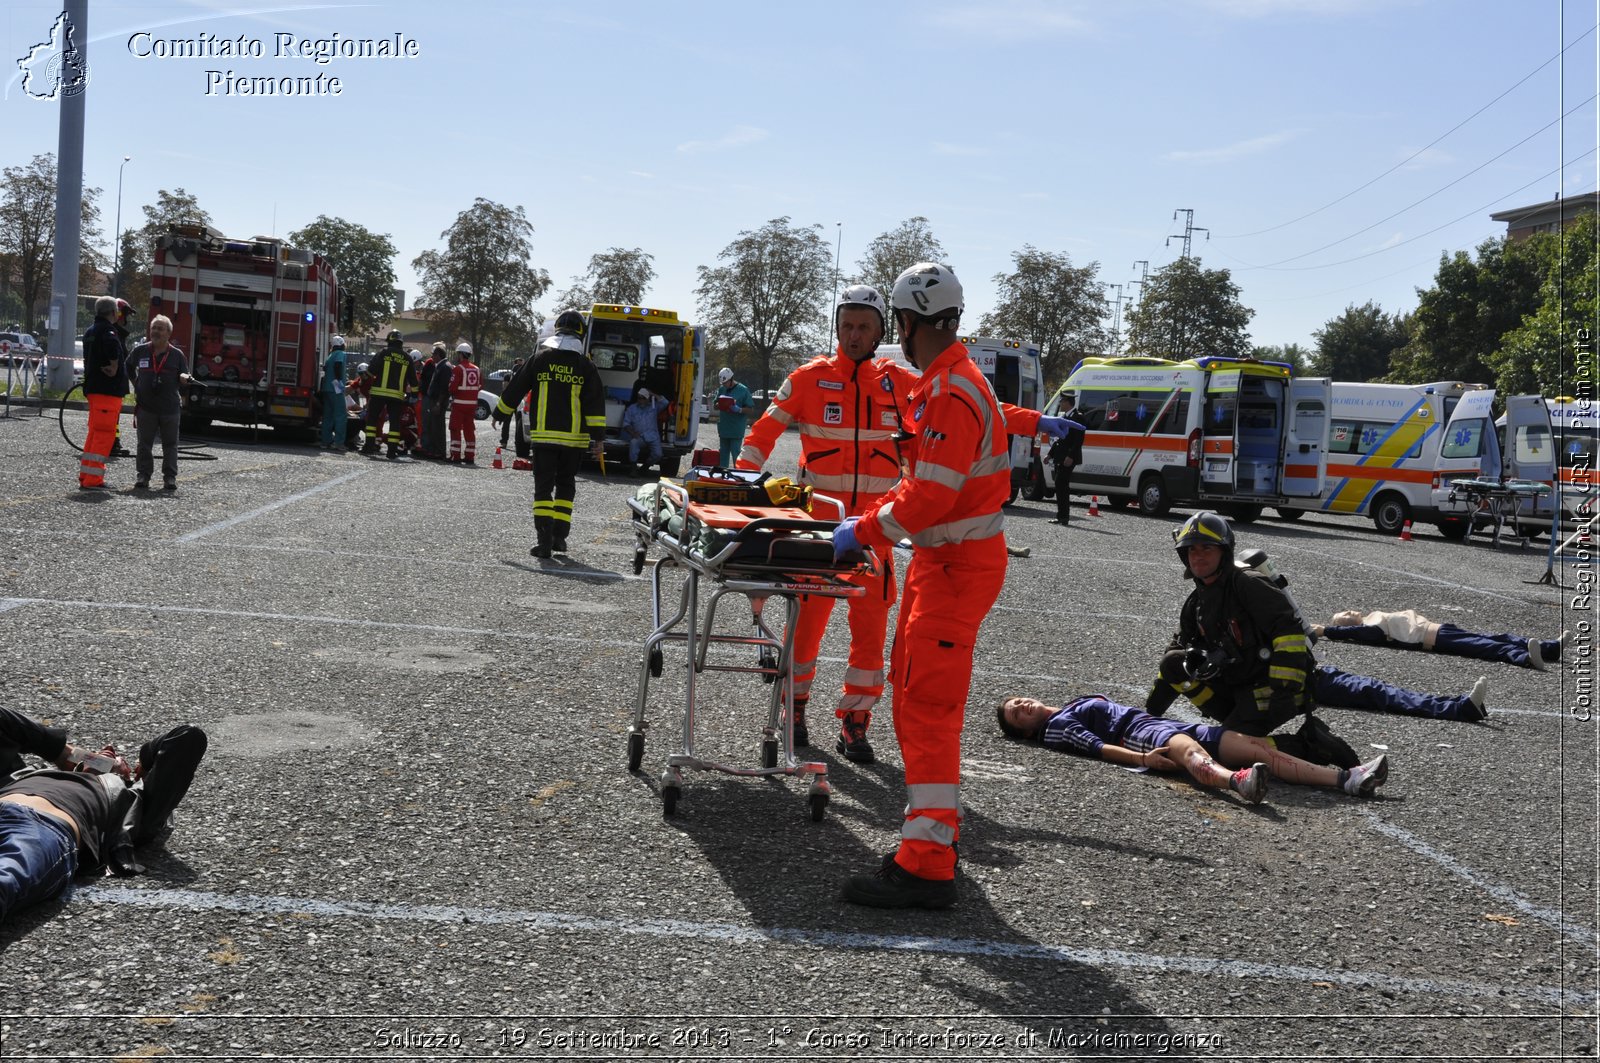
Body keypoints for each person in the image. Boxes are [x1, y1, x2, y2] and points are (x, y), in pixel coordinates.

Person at [830, 262, 1009, 909]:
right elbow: (930, 483)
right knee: (915, 702)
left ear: (909, 322)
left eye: (898, 324)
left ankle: (927, 863)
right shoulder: (948, 382)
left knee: (928, 711)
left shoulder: (951, 391)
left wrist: (864, 529)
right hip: (945, 565)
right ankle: (930, 843)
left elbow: (930, 494)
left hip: (955, 567)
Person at [1149, 513, 1489, 743]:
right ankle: (1238, 724)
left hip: (1289, 687)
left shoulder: (1247, 584)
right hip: (1242, 692)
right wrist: (1145, 716)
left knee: (1377, 694)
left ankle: (1460, 707)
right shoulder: (1197, 603)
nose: (1197, 556)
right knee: (1175, 663)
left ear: (1224, 551)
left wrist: (1282, 692)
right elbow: (1174, 660)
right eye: (1191, 550)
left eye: (1206, 548)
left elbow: (1290, 633)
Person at [0, 707, 207, 923]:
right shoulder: (23, 774)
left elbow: (188, 737)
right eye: (100, 752)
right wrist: (63, 753)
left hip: (44, 829)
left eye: (115, 756)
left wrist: (145, 766)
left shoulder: (134, 803)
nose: (108, 749)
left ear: (130, 774)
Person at [997, 695, 1391, 802]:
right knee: (1191, 755)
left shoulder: (1064, 709)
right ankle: (1238, 783)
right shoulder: (1057, 727)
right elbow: (1097, 748)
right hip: (1140, 734)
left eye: (1018, 701)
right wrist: (1142, 760)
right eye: (1016, 715)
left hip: (1164, 724)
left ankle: (1346, 779)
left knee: (1253, 745)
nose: (1022, 707)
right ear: (1026, 733)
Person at [492, 321, 605, 558]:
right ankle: (559, 539)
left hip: (545, 438)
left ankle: (543, 542)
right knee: (566, 486)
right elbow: (594, 403)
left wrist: (500, 413)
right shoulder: (585, 365)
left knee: (543, 489)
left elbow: (517, 386)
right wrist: (598, 440)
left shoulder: (540, 359)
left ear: (557, 332)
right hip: (574, 441)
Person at [1314, 609, 1571, 671]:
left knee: (1492, 637)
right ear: (1347, 624)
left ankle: (1549, 648)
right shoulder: (1367, 630)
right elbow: (1345, 633)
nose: (1349, 612)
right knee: (1486, 646)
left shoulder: (1372, 618)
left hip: (1438, 629)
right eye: (1345, 616)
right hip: (1433, 638)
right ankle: (1526, 658)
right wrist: (1323, 630)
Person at [125, 314, 191, 493]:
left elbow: (185, 377)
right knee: (144, 444)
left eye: (160, 329)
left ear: (168, 333)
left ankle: (169, 477)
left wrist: (184, 379)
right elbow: (128, 366)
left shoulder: (177, 355)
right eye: (154, 328)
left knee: (170, 445)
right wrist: (135, 382)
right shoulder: (140, 351)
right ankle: (143, 475)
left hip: (169, 409)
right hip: (146, 407)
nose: (155, 331)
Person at [78, 296, 129, 490]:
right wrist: (115, 365)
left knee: (94, 433)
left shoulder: (90, 331)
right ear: (113, 312)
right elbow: (111, 348)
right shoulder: (108, 330)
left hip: (94, 388)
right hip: (107, 391)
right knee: (104, 435)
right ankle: (93, 479)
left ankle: (86, 475)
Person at [362, 331, 415, 459]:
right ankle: (392, 451)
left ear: (390, 340)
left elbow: (371, 371)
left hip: (378, 393)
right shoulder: (407, 358)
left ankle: (369, 446)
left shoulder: (383, 353)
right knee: (394, 423)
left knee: (372, 419)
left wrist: (363, 379)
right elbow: (413, 380)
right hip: (396, 396)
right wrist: (414, 395)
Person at [1047, 393, 1085, 525]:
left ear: (1068, 402)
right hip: (1060, 456)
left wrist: (1070, 456)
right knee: (1059, 485)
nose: (1060, 403)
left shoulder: (1078, 417)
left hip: (1069, 457)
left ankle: (1063, 516)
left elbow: (1078, 440)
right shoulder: (1064, 417)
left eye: (1062, 401)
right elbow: (1059, 440)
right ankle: (1062, 516)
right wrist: (1050, 454)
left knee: (1061, 484)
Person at [447, 342, 481, 465]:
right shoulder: (477, 369)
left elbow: (452, 388)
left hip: (459, 404)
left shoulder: (458, 369)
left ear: (461, 355)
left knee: (455, 428)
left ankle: (455, 455)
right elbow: (480, 385)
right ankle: (469, 456)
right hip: (472, 405)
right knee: (469, 430)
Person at [621, 387, 667, 475]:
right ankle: (633, 468)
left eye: (643, 398)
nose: (641, 400)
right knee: (633, 443)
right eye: (639, 398)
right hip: (639, 436)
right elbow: (626, 424)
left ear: (648, 399)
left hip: (653, 437)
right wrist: (632, 433)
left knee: (658, 454)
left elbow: (665, 402)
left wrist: (652, 394)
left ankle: (645, 467)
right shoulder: (632, 408)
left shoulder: (654, 407)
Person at [715, 367, 752, 468]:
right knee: (723, 454)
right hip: (724, 428)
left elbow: (750, 409)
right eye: (722, 383)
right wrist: (720, 404)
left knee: (736, 453)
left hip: (736, 429)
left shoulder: (743, 390)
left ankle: (738, 475)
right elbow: (715, 404)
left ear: (731, 379)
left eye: (725, 382)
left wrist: (739, 409)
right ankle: (723, 475)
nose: (724, 385)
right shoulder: (722, 389)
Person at [318, 335, 349, 450]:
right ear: (342, 344)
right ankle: (339, 442)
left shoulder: (330, 356)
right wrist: (339, 382)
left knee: (328, 416)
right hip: (336, 388)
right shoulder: (341, 354)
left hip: (327, 388)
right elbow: (338, 365)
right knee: (341, 415)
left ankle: (325, 442)